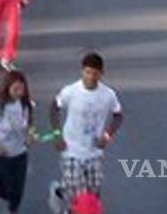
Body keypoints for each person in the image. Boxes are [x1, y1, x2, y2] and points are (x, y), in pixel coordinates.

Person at [48, 52, 123, 213]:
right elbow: (54, 107)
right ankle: (68, 202)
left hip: (94, 152)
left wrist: (107, 135)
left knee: (93, 196)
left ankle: (60, 192)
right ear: (82, 71)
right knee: (80, 196)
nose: (91, 77)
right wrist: (57, 134)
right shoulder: (71, 91)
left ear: (101, 73)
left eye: (95, 73)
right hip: (71, 150)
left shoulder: (108, 95)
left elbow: (118, 116)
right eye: (87, 72)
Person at [0, 69, 35, 213]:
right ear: (8, 88)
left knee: (18, 191)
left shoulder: (25, 105)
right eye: (15, 89)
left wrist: (30, 135)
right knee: (7, 190)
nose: (19, 92)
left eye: (21, 89)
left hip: (20, 153)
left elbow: (30, 123)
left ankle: (12, 211)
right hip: (2, 155)